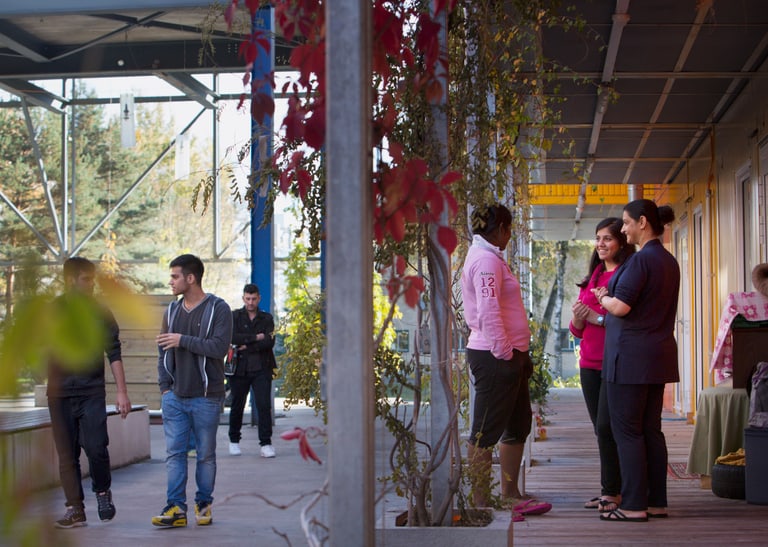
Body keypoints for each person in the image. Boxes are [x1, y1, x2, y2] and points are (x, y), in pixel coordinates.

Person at [460, 203, 551, 517]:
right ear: (499, 228)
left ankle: (511, 494)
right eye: (510, 229)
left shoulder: (490, 258)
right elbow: (487, 312)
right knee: (485, 431)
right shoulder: (486, 261)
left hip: (509, 355)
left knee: (517, 425)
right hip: (495, 356)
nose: (510, 236)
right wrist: (506, 355)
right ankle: (481, 503)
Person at [593, 199, 680, 522]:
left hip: (629, 359)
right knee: (650, 431)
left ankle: (632, 505)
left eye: (627, 223)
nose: (624, 228)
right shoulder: (668, 260)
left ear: (643, 222)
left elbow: (622, 307)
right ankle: (656, 501)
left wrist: (603, 297)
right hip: (656, 356)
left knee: (627, 431)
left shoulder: (642, 261)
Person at [47, 257, 131, 528]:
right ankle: (75, 509)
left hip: (92, 391)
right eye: (86, 280)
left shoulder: (100, 311)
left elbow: (114, 351)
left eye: (93, 280)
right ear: (71, 280)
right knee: (66, 454)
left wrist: (122, 392)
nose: (92, 285)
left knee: (96, 447)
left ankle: (103, 492)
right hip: (59, 394)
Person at [152, 254, 232, 527]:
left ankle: (204, 504)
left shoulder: (218, 309)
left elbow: (219, 348)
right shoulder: (171, 311)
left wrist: (182, 340)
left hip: (207, 398)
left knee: (206, 455)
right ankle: (175, 508)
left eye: (175, 276)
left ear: (191, 278)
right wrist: (165, 389)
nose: (171, 281)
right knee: (174, 454)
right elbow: (162, 350)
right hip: (174, 397)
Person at [569, 218, 634, 513]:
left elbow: (625, 321)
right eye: (598, 238)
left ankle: (615, 490)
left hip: (615, 362)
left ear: (622, 241)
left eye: (607, 238)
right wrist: (579, 317)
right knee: (600, 429)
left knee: (609, 426)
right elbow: (577, 331)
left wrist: (595, 317)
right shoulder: (593, 277)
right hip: (589, 362)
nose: (601, 244)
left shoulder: (625, 276)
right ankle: (610, 489)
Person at [228, 283, 278, 458]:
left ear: (259, 299)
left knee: (264, 406)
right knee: (237, 405)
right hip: (239, 368)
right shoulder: (234, 316)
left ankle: (266, 444)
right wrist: (255, 337)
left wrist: (245, 345)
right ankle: (234, 441)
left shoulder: (267, 319)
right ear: (243, 298)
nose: (250, 302)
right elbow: (232, 337)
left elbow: (269, 342)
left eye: (254, 299)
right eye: (247, 299)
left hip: (262, 368)